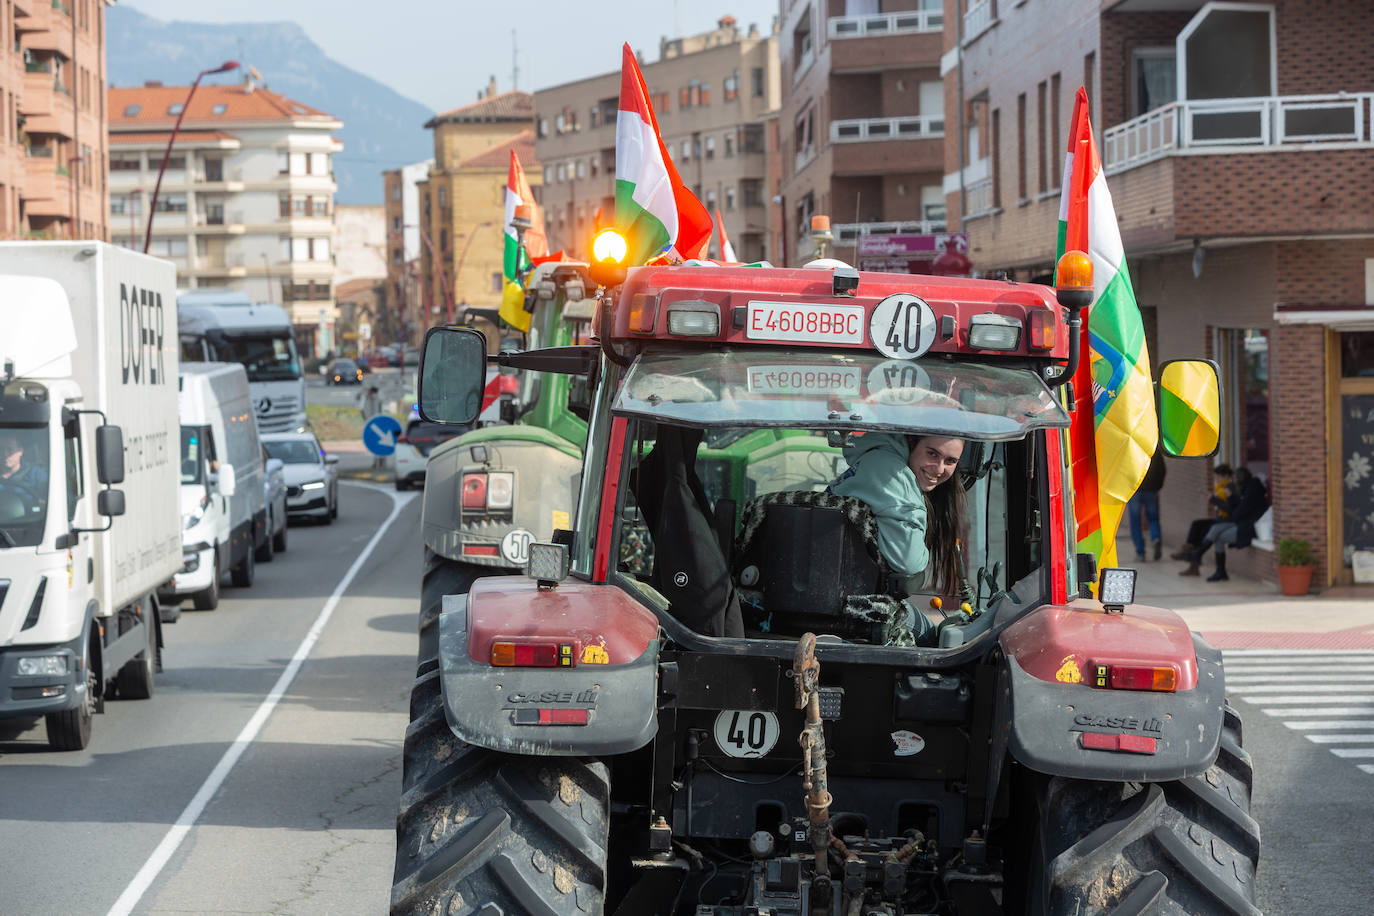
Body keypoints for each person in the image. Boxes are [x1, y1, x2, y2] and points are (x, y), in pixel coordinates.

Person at [829, 432, 966, 596]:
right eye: (932, 454)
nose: (939, 469)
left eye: (950, 461)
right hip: (843, 596)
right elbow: (909, 563)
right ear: (912, 441)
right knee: (923, 623)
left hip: (839, 584)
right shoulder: (894, 475)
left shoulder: (881, 457)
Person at [1181, 466, 1269, 581]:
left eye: (1218, 476)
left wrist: (1226, 498)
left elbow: (1237, 512)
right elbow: (1237, 509)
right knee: (1208, 528)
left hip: (1248, 526)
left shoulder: (1248, 490)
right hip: (1238, 522)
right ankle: (1206, 560)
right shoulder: (1243, 489)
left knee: (1217, 535)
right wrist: (1230, 498)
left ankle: (1206, 560)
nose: (1216, 479)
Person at [1170, 463, 1234, 560]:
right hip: (1220, 519)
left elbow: (1230, 507)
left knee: (1202, 531)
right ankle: (1189, 552)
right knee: (1196, 525)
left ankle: (1191, 556)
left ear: (1226, 476)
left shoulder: (1230, 488)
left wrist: (1213, 499)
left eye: (1218, 477)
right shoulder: (1220, 488)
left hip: (1227, 520)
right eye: (1215, 477)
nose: (1216, 480)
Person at [1127, 443, 1166, 561]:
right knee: (1153, 519)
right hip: (1152, 490)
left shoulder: (1131, 448)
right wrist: (1157, 486)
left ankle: (1140, 552)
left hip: (1135, 490)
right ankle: (1156, 538)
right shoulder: (1153, 448)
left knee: (1135, 522)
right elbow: (1162, 469)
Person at [0, 431, 48, 506]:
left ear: (20, 451)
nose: (5, 454)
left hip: (31, 517)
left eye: (10, 449)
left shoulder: (36, 474)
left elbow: (51, 498)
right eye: (1, 449)